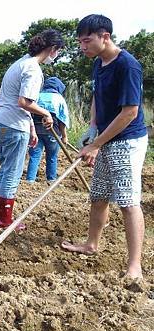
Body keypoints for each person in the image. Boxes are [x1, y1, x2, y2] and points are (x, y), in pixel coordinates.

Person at [61, 15, 148, 279]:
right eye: (79, 42)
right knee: (98, 196)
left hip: (127, 140)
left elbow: (129, 113)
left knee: (127, 200)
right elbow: (98, 98)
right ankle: (91, 244)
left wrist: (96, 145)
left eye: (86, 41)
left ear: (105, 37)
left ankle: (135, 266)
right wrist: (92, 127)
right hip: (105, 137)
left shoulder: (128, 66)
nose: (82, 47)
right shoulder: (99, 64)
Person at [0, 29, 64, 229]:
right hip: (13, 125)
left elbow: (17, 100)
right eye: (58, 51)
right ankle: (4, 219)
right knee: (14, 170)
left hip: (0, 123)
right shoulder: (33, 69)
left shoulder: (20, 63)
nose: (56, 56)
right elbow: (24, 101)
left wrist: (32, 129)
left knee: (6, 168)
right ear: (52, 49)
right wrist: (46, 114)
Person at [25, 77, 70, 183]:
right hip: (52, 132)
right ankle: (51, 179)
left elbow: (29, 113)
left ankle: (30, 179)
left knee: (34, 155)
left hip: (36, 131)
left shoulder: (37, 96)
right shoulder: (59, 99)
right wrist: (64, 136)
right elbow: (62, 119)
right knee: (52, 157)